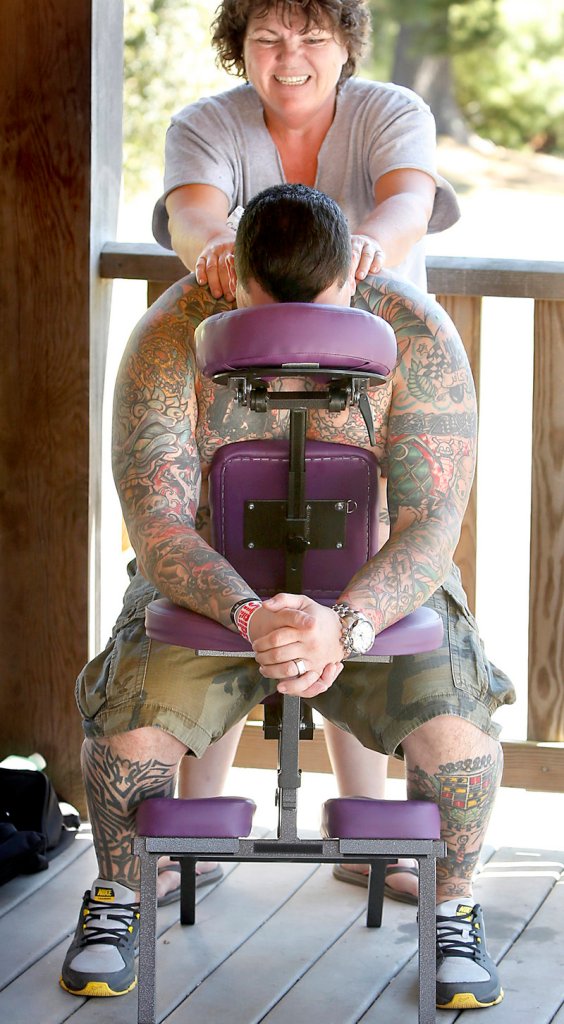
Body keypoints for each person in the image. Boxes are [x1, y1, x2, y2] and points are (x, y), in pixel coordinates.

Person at [60, 184, 514, 1009]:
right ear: (234, 279)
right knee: (126, 744)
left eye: (325, 305)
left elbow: (432, 523)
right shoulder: (171, 333)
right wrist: (249, 613)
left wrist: (347, 624)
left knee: (462, 747)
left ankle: (452, 908)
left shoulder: (415, 331)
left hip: (371, 588)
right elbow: (156, 522)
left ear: (352, 274)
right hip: (211, 588)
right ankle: (120, 893)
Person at [151, 0, 462, 903]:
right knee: (225, 562)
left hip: (367, 393)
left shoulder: (390, 111)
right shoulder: (206, 124)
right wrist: (218, 254)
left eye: (313, 36)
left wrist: (366, 252)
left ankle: (368, 833)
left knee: (354, 572)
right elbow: (193, 213)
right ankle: (193, 836)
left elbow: (407, 201)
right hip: (238, 392)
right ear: (239, 46)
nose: (291, 56)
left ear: (347, 43)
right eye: (268, 37)